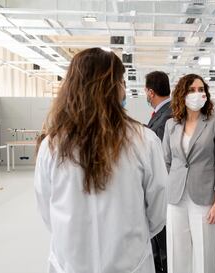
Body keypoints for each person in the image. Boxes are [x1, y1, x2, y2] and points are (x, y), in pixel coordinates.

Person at [34, 48, 167, 273]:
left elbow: (47, 210)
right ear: (112, 87)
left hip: (71, 262)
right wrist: (134, 234)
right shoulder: (144, 140)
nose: (124, 89)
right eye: (121, 81)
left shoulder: (52, 145)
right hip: (130, 262)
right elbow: (157, 210)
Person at [162, 74, 215, 273]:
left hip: (204, 199)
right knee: (176, 257)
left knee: (204, 257)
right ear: (182, 95)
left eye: (201, 90)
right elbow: (166, 161)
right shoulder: (171, 125)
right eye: (192, 90)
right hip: (176, 199)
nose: (197, 94)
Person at [145, 70, 172, 273]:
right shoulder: (161, 114)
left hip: (162, 191)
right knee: (157, 247)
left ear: (151, 92)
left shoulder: (166, 117)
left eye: (146, 91)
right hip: (158, 190)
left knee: (163, 248)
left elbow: (162, 160)